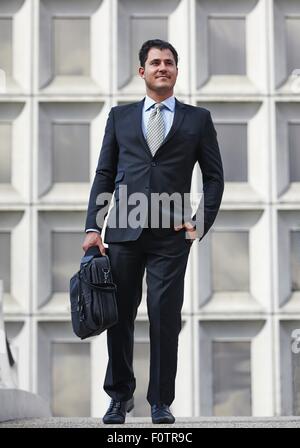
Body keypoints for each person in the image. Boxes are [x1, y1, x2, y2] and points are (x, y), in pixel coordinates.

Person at [82, 39, 224, 424]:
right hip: (124, 230)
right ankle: (119, 397)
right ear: (141, 71)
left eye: (169, 63)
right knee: (119, 315)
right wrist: (93, 226)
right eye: (155, 62)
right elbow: (104, 174)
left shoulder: (197, 120)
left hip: (172, 235)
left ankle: (160, 401)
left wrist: (198, 222)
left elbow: (213, 178)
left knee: (164, 317)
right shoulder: (120, 117)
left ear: (176, 71)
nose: (163, 67)